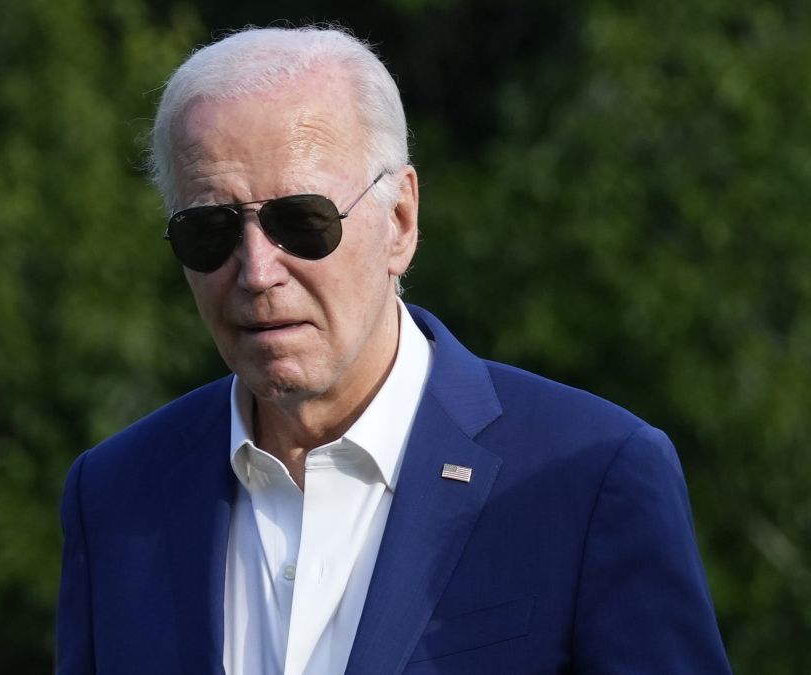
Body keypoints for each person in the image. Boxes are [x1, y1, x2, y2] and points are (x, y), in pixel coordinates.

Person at [56, 25, 731, 675]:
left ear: (400, 223)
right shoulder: (116, 495)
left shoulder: (590, 479)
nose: (258, 270)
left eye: (303, 221)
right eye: (211, 230)